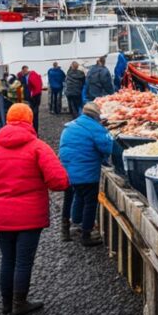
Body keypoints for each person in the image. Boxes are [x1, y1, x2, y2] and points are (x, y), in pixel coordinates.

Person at [0, 103, 70, 315]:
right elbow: (59, 181)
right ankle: (20, 302)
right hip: (29, 217)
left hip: (0, 216)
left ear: (9, 119)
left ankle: (6, 304)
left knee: (7, 259)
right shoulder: (38, 147)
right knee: (23, 261)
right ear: (29, 120)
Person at [58, 103, 112, 247]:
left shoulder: (70, 125)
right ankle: (86, 234)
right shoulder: (95, 128)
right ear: (96, 116)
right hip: (87, 172)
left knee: (78, 195)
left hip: (68, 170)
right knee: (90, 202)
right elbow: (108, 146)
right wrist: (106, 132)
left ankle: (75, 223)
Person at [17, 67, 41, 131]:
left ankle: (34, 131)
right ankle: (32, 130)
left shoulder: (32, 76)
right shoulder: (25, 77)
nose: (23, 73)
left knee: (34, 116)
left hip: (34, 98)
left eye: (24, 71)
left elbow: (36, 88)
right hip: (29, 98)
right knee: (30, 116)